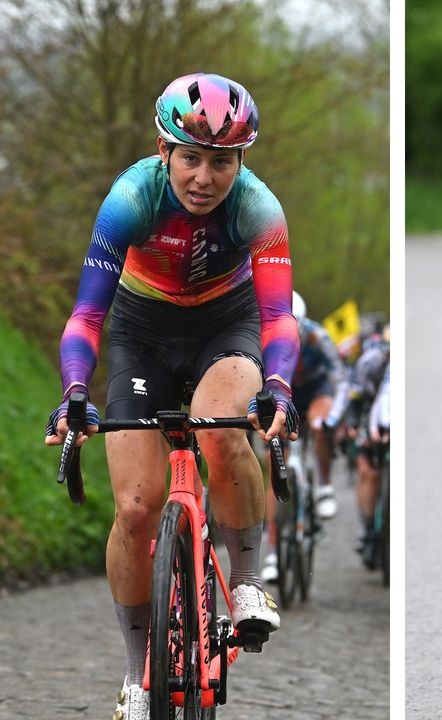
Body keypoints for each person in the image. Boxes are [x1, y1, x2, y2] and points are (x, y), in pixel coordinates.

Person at [44, 72, 300, 720]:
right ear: (165, 153)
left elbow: (278, 322)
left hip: (225, 325)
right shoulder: (130, 199)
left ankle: (245, 582)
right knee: (134, 508)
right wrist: (75, 391)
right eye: (191, 157)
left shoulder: (259, 208)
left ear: (241, 161)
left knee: (221, 429)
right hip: (141, 331)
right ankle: (137, 674)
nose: (204, 177)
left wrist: (279, 387)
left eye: (222, 161)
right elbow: (86, 319)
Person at [260, 290, 345, 581]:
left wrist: (333, 417)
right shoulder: (263, 336)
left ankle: (324, 485)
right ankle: (271, 553)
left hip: (316, 391)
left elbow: (339, 379)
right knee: (274, 464)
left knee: (319, 424)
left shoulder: (317, 338)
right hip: (283, 393)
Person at [327, 326, 389, 566]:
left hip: (388, 414)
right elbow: (354, 398)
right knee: (367, 472)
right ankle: (366, 528)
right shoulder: (370, 364)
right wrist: (352, 425)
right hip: (365, 411)